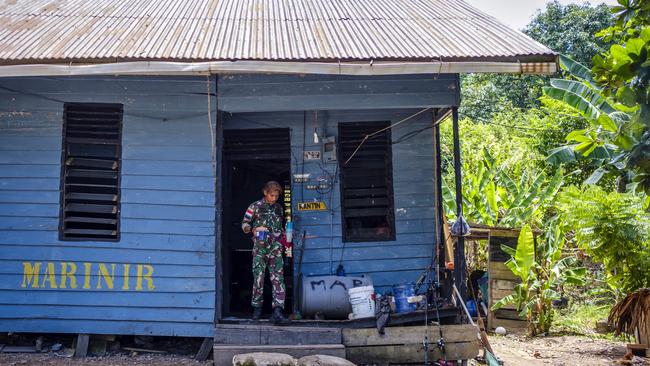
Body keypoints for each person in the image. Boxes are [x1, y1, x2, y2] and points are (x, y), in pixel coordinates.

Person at [241, 181, 290, 325]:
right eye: (271, 195)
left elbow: (281, 226)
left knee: (278, 280)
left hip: (275, 248)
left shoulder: (279, 208)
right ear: (265, 192)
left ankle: (277, 312)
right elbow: (244, 223)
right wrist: (251, 229)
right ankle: (257, 310)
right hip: (260, 249)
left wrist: (283, 240)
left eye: (276, 196)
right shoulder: (254, 206)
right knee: (258, 279)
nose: (274, 198)